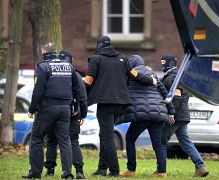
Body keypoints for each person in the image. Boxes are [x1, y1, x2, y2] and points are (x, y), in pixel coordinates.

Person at [84, 36, 157, 177]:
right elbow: (135, 75)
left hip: (105, 104)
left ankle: (114, 170)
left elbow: (88, 81)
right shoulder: (123, 58)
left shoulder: (96, 59)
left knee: (107, 137)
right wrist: (152, 81)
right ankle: (102, 168)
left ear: (99, 46)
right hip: (121, 104)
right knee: (104, 134)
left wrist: (75, 91)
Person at [22, 43, 80, 179]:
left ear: (44, 53)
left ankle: (35, 172)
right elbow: (76, 89)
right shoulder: (69, 67)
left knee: (36, 138)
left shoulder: (43, 67)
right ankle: (67, 174)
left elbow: (38, 91)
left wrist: (31, 109)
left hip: (47, 108)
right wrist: (74, 107)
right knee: (65, 140)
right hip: (65, 108)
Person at [118, 55, 175, 178]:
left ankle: (131, 170)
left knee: (130, 139)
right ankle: (162, 172)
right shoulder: (152, 75)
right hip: (158, 113)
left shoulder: (131, 75)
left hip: (141, 114)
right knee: (158, 144)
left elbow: (123, 93)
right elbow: (165, 93)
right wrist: (171, 111)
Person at [158, 54, 209, 177]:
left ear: (169, 63)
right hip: (182, 116)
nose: (162, 65)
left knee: (161, 140)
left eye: (163, 62)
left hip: (176, 116)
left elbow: (176, 98)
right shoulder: (180, 76)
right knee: (186, 142)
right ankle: (200, 166)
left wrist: (171, 113)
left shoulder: (171, 78)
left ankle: (161, 170)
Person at [44, 50, 87, 179]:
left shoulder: (52, 72)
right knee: (73, 141)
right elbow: (83, 97)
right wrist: (82, 114)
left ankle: (50, 170)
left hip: (53, 111)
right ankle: (79, 171)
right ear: (71, 60)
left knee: (52, 141)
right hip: (73, 113)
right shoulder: (77, 75)